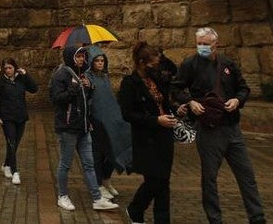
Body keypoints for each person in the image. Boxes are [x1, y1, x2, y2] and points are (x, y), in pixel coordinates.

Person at [174, 27, 265, 224]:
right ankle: (215, 219)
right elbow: (176, 88)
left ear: (216, 44)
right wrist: (190, 102)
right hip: (208, 129)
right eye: (199, 43)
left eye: (206, 44)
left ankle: (257, 217)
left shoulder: (227, 64)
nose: (202, 47)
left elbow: (243, 88)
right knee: (209, 179)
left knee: (246, 175)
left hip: (232, 127)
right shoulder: (190, 64)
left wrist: (237, 100)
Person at [118, 41, 182, 224]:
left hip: (164, 136)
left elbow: (164, 101)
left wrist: (177, 111)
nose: (156, 66)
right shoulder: (130, 83)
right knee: (155, 180)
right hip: (146, 138)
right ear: (141, 62)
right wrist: (155, 120)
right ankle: (135, 209)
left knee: (164, 182)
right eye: (152, 64)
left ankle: (161, 219)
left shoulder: (156, 78)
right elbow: (127, 113)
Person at [50, 45, 118, 212]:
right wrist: (74, 87)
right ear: (71, 57)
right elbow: (57, 99)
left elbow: (83, 101)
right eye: (78, 56)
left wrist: (88, 87)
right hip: (68, 127)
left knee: (88, 164)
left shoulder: (80, 74)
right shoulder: (61, 75)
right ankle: (63, 196)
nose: (82, 59)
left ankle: (96, 198)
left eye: (82, 56)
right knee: (65, 164)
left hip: (83, 126)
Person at [86, 46, 132, 201]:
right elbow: (87, 102)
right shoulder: (87, 77)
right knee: (98, 154)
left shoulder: (104, 77)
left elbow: (109, 98)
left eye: (102, 61)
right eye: (97, 61)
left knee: (113, 150)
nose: (100, 63)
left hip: (111, 120)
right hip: (96, 122)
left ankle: (106, 179)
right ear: (91, 62)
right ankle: (98, 183)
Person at [0, 57, 38, 185]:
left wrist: (26, 75)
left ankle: (6, 164)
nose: (8, 70)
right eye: (5, 68)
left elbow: (34, 89)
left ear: (15, 67)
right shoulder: (0, 81)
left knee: (15, 143)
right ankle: (15, 171)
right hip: (7, 117)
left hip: (20, 116)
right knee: (11, 141)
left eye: (10, 68)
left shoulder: (21, 78)